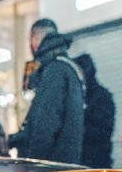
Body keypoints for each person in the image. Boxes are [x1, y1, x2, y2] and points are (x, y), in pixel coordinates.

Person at [11, 19, 84, 164]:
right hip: (66, 163)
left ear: (35, 38)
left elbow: (45, 123)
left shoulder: (54, 71)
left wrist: (33, 162)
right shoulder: (68, 67)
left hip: (52, 168)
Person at [75, 54, 116, 168]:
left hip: (97, 161)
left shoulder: (101, 97)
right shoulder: (78, 96)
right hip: (82, 161)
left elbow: (103, 131)